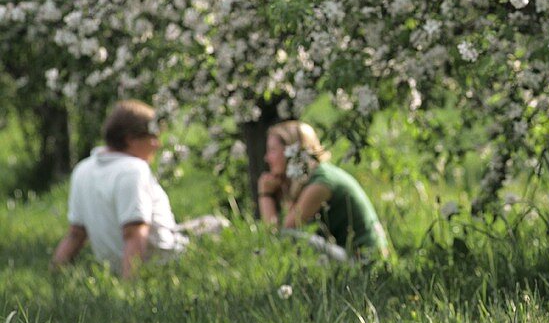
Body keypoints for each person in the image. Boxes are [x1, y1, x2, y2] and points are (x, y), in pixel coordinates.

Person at [50, 100, 228, 279]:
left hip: (111, 267)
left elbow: (75, 234)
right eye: (153, 137)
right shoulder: (133, 170)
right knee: (220, 225)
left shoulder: (83, 169)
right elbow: (134, 233)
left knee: (204, 223)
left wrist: (54, 274)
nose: (157, 144)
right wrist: (131, 291)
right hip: (162, 262)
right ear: (130, 139)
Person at [258, 120, 390, 263]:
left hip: (366, 261)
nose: (267, 158)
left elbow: (279, 237)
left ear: (292, 150)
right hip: (349, 255)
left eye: (272, 150)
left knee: (291, 236)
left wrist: (266, 195)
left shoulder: (321, 182)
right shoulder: (311, 177)